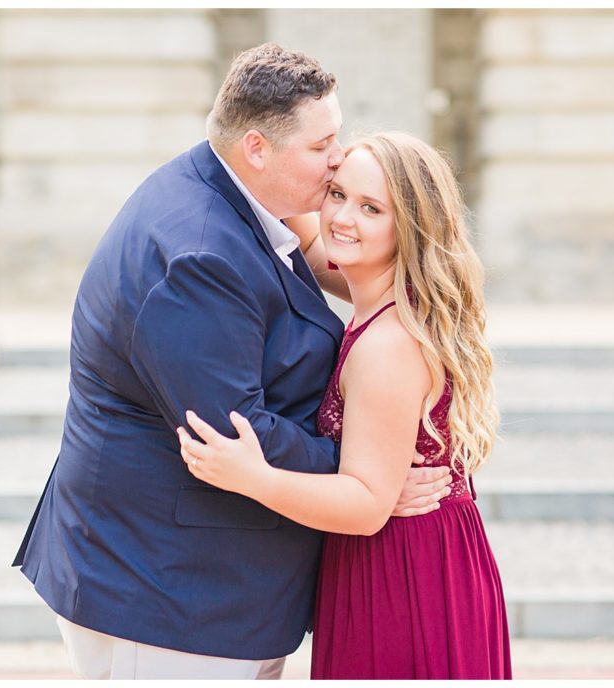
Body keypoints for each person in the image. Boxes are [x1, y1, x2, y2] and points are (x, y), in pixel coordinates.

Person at [11, 44, 450, 680]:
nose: (337, 159)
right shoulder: (201, 255)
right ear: (257, 148)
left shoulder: (230, 194)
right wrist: (365, 474)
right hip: (165, 594)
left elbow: (336, 256)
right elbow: (234, 433)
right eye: (322, 144)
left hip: (200, 583)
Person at [178, 132, 513, 679]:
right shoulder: (373, 287)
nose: (343, 218)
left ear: (408, 227)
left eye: (371, 208)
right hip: (405, 560)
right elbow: (305, 227)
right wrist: (298, 150)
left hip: (406, 578)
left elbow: (364, 505)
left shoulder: (388, 346)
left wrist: (251, 476)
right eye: (337, 193)